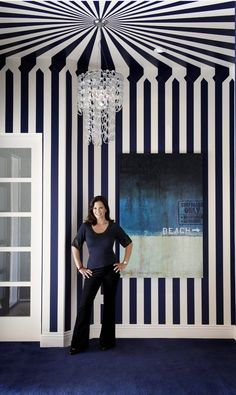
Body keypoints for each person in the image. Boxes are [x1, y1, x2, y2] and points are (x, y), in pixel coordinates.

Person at [70, 195, 133, 355]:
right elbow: (75, 245)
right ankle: (78, 344)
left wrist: (124, 263)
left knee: (110, 306)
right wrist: (80, 267)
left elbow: (128, 243)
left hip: (111, 270)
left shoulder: (113, 227)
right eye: (95, 208)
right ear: (92, 210)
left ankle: (107, 342)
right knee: (84, 306)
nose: (98, 211)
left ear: (106, 209)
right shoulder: (85, 227)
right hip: (92, 271)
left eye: (101, 207)